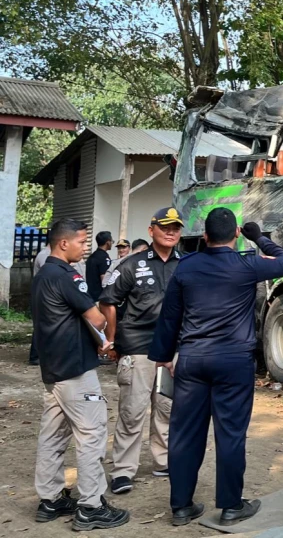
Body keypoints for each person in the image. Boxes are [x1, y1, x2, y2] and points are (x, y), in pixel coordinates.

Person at [149, 208, 283, 527]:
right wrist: (259, 237)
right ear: (236, 235)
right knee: (230, 434)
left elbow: (170, 316)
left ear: (204, 237)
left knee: (185, 434)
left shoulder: (186, 267)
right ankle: (230, 506)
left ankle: (182, 506)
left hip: (192, 360)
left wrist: (163, 355)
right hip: (233, 362)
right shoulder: (246, 265)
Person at [31, 218, 130, 530]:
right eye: (80, 242)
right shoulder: (65, 275)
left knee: (53, 435)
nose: (84, 249)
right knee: (91, 434)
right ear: (63, 243)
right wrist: (108, 335)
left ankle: (50, 500)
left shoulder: (43, 273)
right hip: (75, 369)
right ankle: (91, 505)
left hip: (54, 370)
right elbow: (96, 318)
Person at [98, 208, 183, 494]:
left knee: (167, 409)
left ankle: (163, 461)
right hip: (138, 348)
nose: (171, 232)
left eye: (176, 228)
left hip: (172, 351)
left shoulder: (185, 265)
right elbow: (107, 301)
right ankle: (123, 471)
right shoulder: (130, 264)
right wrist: (112, 338)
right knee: (132, 411)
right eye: (165, 227)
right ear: (152, 230)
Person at [86, 231, 114, 301]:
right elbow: (104, 279)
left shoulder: (92, 256)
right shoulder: (104, 257)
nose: (112, 244)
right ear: (108, 242)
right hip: (100, 297)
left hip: (91, 296)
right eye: (112, 241)